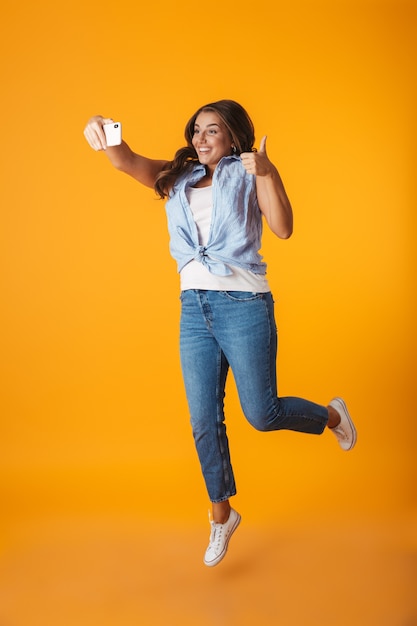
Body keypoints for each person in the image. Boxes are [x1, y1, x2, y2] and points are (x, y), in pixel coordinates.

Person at [83, 100, 357, 567]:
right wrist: (103, 130)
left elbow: (284, 228)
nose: (201, 138)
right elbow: (126, 160)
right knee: (203, 420)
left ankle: (331, 416)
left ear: (232, 136)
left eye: (213, 131)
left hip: (244, 305)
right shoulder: (177, 177)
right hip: (194, 308)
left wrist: (268, 172)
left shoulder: (251, 171)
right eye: (196, 130)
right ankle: (221, 514)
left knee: (262, 413)